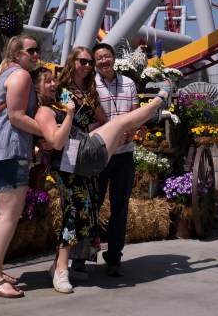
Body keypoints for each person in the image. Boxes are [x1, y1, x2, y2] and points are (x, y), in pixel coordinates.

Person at [33, 59, 173, 286]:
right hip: (74, 164)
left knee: (83, 215)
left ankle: (61, 263)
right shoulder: (44, 111)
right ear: (37, 89)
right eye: (47, 82)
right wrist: (69, 115)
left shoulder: (59, 104)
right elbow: (56, 142)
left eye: (53, 80)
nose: (53, 84)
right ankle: (60, 270)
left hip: (81, 162)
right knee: (73, 215)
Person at [0, 34, 49, 299]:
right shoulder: (21, 76)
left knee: (1, 213)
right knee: (9, 214)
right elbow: (16, 116)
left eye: (37, 50)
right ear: (17, 53)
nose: (36, 54)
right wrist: (47, 131)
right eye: (30, 50)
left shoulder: (7, 72)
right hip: (9, 148)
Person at [39, 48, 107, 292]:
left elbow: (102, 119)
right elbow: (45, 113)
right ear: (72, 61)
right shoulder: (60, 87)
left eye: (90, 62)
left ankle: (61, 264)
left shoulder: (90, 92)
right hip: (65, 157)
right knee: (74, 208)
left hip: (84, 158)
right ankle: (60, 270)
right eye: (83, 61)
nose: (88, 66)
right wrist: (42, 140)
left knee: (86, 210)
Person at [92, 40, 139, 277]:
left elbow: (135, 115)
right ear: (95, 62)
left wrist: (127, 135)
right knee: (93, 205)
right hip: (100, 155)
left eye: (106, 56)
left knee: (120, 207)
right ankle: (85, 254)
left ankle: (114, 258)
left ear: (113, 58)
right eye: (99, 58)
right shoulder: (91, 85)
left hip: (124, 155)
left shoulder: (129, 83)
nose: (103, 61)